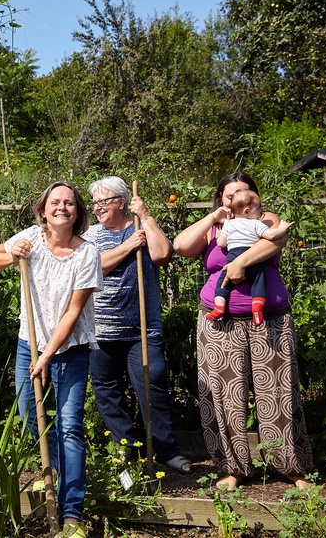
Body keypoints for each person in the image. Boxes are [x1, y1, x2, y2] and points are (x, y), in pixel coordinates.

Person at [172, 172, 313, 491]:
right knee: (223, 395)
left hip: (270, 317)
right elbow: (180, 246)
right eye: (230, 194)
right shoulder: (214, 227)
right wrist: (213, 218)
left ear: (255, 197)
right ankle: (233, 468)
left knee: (278, 391)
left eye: (244, 192)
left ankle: (291, 466)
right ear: (222, 199)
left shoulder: (267, 220)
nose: (237, 198)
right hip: (217, 320)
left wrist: (237, 265)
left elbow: (275, 241)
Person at [0, 181, 101, 538]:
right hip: (28, 342)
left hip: (71, 348)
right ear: (43, 209)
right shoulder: (31, 238)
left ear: (78, 212)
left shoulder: (87, 254)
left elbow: (72, 313)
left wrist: (47, 356)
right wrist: (13, 253)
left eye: (69, 203)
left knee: (70, 424)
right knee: (29, 414)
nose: (62, 207)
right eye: (55, 202)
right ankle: (53, 473)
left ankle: (71, 513)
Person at [85, 177, 192, 473]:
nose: (97, 208)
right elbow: (93, 266)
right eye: (94, 203)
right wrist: (129, 246)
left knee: (151, 386)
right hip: (101, 331)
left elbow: (162, 254)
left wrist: (145, 216)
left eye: (103, 201)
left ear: (122, 202)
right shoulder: (91, 235)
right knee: (107, 393)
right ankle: (125, 448)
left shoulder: (142, 228)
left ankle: (166, 450)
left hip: (142, 331)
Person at [207, 189, 293, 325]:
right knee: (259, 282)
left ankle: (219, 307)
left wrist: (225, 230)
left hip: (233, 257)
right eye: (258, 208)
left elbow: (221, 243)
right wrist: (282, 228)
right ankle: (257, 309)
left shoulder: (229, 224)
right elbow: (271, 236)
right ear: (247, 211)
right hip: (253, 257)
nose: (261, 212)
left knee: (222, 283)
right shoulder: (256, 223)